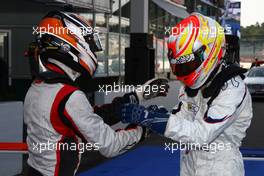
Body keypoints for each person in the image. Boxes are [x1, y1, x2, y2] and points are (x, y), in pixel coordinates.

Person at [24, 11, 169, 176]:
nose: (93, 49)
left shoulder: (37, 88)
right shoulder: (68, 95)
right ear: (69, 42)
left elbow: (89, 117)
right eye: (89, 42)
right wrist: (146, 127)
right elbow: (111, 145)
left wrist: (138, 95)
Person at [120, 13, 253, 176]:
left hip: (222, 166)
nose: (183, 73)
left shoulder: (232, 89)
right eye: (179, 67)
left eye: (188, 64)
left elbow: (202, 134)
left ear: (209, 52)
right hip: (189, 160)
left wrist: (154, 119)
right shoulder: (193, 85)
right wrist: (156, 116)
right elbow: (183, 118)